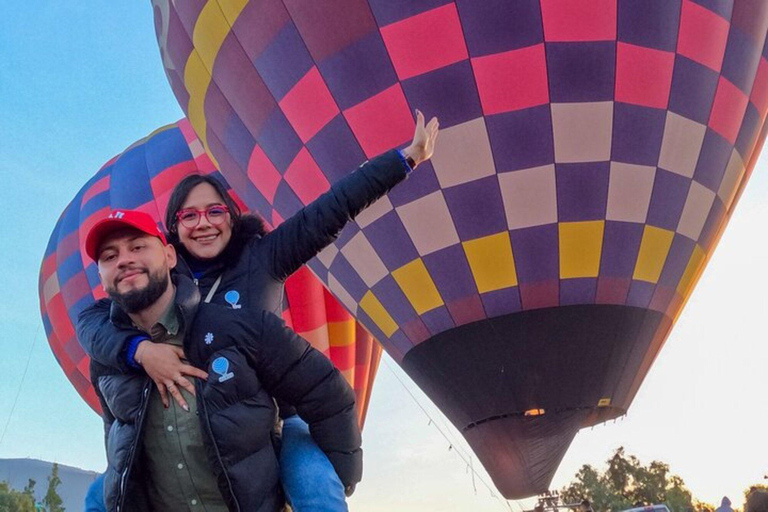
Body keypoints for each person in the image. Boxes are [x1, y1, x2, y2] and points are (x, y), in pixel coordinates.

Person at [78, 111, 439, 510]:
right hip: (209, 419)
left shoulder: (263, 258)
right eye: (189, 216)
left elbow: (330, 210)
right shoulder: (157, 280)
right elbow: (94, 321)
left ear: (232, 218)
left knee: (316, 484)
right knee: (101, 495)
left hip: (277, 414)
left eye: (215, 212)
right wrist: (139, 351)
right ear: (171, 233)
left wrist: (402, 161)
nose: (203, 224)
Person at [85, 209, 362, 511]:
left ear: (169, 256)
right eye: (109, 257)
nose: (124, 259)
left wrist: (337, 477)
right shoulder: (108, 359)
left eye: (137, 247)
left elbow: (326, 392)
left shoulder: (240, 328)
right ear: (101, 276)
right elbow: (117, 437)